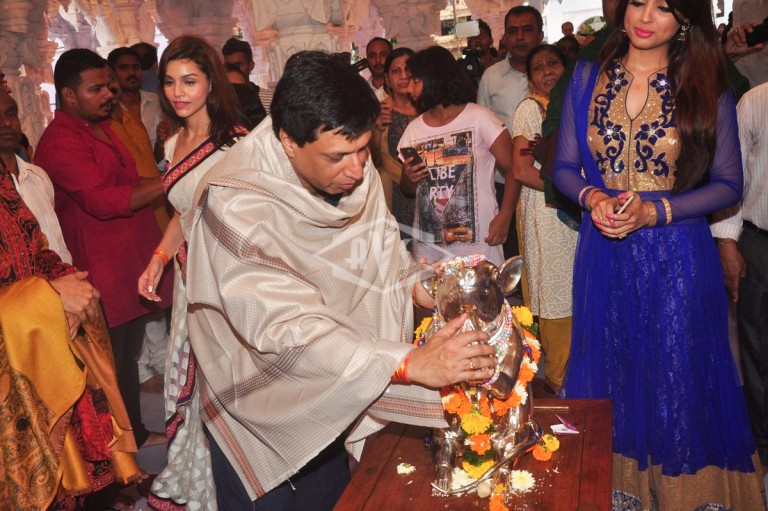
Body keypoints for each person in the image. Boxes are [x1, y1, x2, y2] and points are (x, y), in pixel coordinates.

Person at [181, 50, 496, 510]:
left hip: (340, 386)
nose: (357, 168)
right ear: (288, 141)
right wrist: (408, 364)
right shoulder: (235, 205)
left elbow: (383, 264)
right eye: (339, 156)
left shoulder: (350, 171)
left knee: (334, 497)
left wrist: (435, 287)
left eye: (364, 149)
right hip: (266, 403)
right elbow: (287, 328)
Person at [552, 0, 764, 507]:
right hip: (604, 252)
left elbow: (728, 184)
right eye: (637, 2)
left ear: (685, 19)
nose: (645, 17)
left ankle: (686, 495)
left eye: (664, 7)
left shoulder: (705, 85)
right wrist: (593, 196)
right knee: (612, 365)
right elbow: (563, 167)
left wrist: (655, 212)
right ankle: (618, 490)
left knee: (679, 373)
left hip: (679, 256)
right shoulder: (585, 78)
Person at [0, 88, 142, 511]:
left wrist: (69, 283)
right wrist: (50, 298)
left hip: (36, 351)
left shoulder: (8, 184)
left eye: (10, 112)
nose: (6, 124)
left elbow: (37, 247)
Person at [35, 48, 170, 453]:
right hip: (101, 267)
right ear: (68, 95)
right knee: (109, 364)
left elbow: (131, 179)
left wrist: (167, 176)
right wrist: (172, 180)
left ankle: (135, 436)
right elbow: (102, 200)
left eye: (107, 86)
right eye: (96, 89)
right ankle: (119, 451)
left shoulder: (102, 126)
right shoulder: (61, 141)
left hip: (128, 258)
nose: (108, 94)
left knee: (126, 358)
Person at [138, 35, 248, 511]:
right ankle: (205, 490)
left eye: (189, 81)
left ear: (211, 83)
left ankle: (241, 488)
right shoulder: (172, 141)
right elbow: (183, 215)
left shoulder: (235, 143)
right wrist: (159, 259)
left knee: (228, 390)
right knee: (196, 390)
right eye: (169, 82)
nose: (178, 92)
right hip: (188, 280)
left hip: (227, 282)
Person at [399, 46, 518, 267]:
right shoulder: (414, 129)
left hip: (479, 243)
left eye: (415, 80)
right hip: (429, 248)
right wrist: (408, 176)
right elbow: (408, 189)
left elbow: (513, 169)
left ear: (434, 77)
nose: (409, 88)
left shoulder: (479, 117)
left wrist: (505, 216)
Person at [510, 44, 575, 395]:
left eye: (553, 63)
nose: (547, 70)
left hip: (574, 216)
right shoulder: (530, 108)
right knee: (556, 299)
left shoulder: (572, 105)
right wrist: (573, 193)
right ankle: (562, 388)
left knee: (577, 297)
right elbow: (521, 169)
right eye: (538, 67)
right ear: (530, 79)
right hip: (548, 215)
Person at [711, 81, 768, 472]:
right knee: (759, 350)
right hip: (760, 245)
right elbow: (731, 177)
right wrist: (728, 242)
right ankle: (763, 448)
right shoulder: (756, 100)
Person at [476, 5, 543, 261]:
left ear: (540, 34)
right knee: (514, 258)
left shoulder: (554, 73)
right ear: (504, 36)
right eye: (513, 31)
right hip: (504, 184)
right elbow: (481, 136)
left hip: (547, 179)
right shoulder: (491, 77)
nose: (520, 37)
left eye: (527, 30)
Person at [368, 47, 417, 243]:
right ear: (387, 80)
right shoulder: (380, 111)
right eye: (396, 71)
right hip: (394, 195)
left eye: (408, 69)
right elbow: (372, 161)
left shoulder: (431, 108)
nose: (404, 76)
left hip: (432, 193)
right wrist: (377, 129)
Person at [221, 37, 270, 115]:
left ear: (251, 65)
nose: (234, 69)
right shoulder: (218, 102)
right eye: (228, 66)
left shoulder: (268, 100)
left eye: (238, 65)